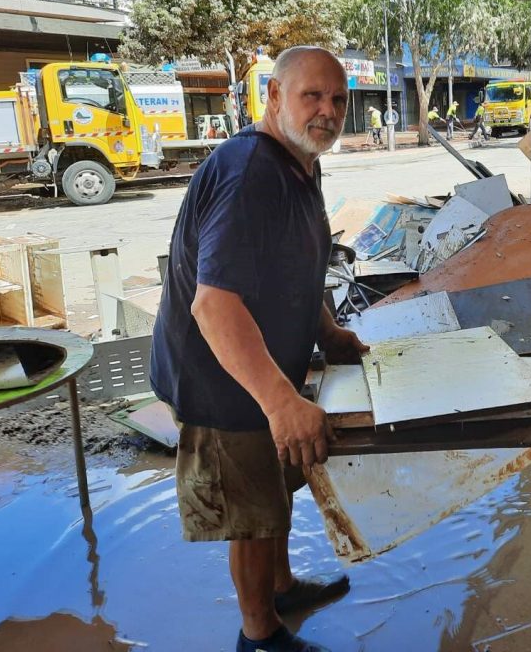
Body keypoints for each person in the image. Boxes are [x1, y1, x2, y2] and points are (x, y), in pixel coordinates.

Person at [150, 46, 368, 652]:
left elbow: (295, 265)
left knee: (272, 489)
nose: (327, 111)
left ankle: (282, 586)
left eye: (338, 99)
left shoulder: (301, 161)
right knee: (249, 509)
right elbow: (214, 305)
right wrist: (280, 401)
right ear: (273, 98)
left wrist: (325, 330)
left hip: (262, 366)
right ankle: (260, 633)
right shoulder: (250, 173)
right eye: (312, 96)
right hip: (223, 379)